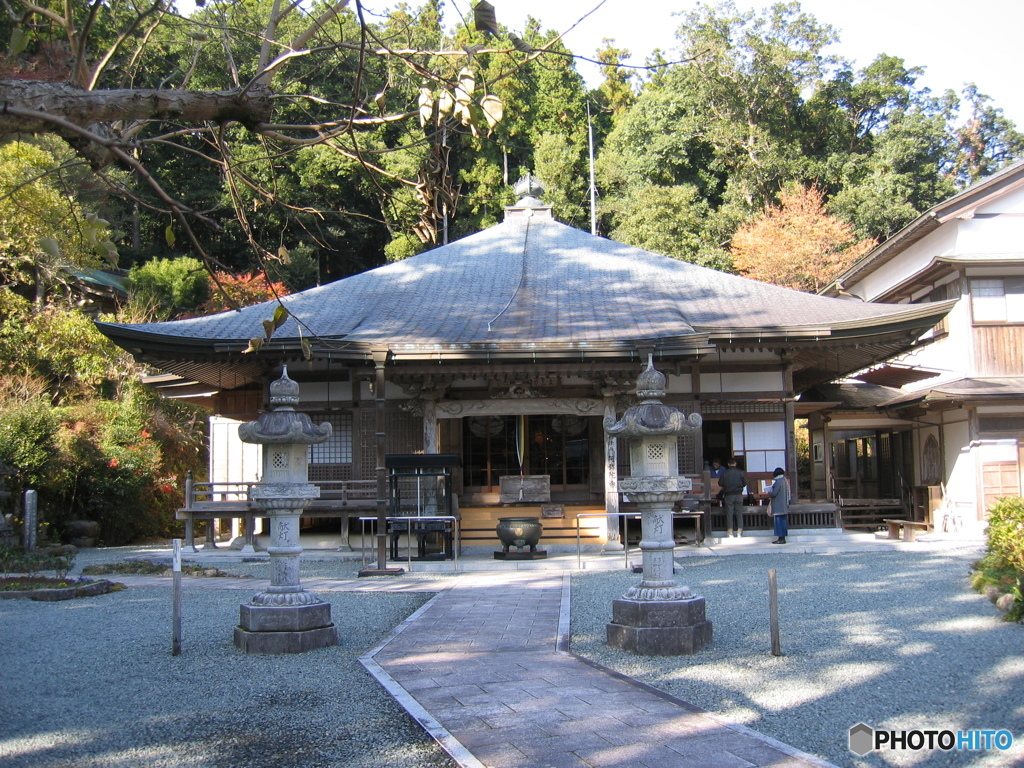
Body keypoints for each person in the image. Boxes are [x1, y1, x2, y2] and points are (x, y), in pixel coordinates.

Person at [718, 458, 746, 537]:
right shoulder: (740, 472)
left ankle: (730, 532)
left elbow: (720, 483)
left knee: (729, 513)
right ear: (735, 464)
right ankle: (739, 532)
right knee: (739, 513)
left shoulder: (725, 473)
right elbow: (745, 483)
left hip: (729, 495)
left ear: (728, 464)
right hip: (738, 494)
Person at [766, 467, 791, 544]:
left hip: (778, 506)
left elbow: (774, 493)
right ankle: (782, 538)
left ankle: (780, 539)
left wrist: (769, 492)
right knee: (783, 522)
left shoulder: (778, 482)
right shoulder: (784, 481)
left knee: (778, 523)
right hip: (783, 505)